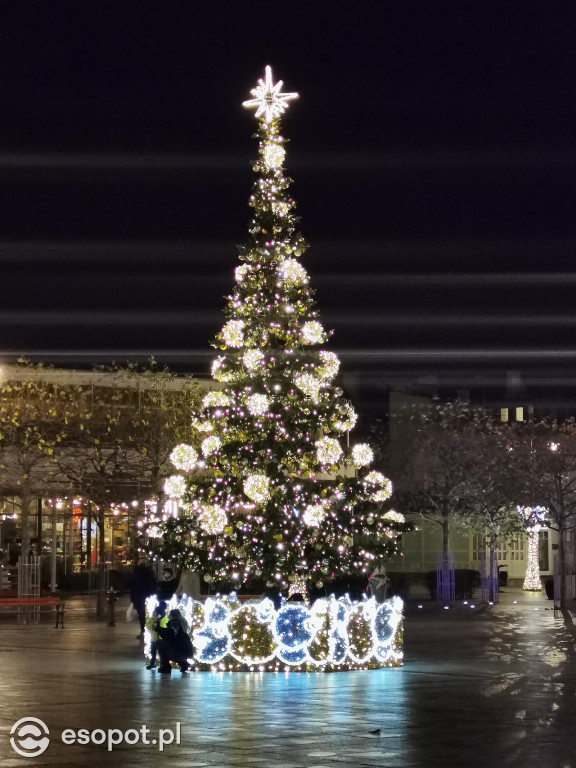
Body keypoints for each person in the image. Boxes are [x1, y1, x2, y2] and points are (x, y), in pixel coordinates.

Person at [156, 609, 193, 675]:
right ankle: (184, 664)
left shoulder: (174, 623)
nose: (168, 616)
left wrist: (159, 629)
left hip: (178, 650)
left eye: (169, 615)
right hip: (184, 651)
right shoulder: (181, 624)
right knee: (169, 648)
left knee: (160, 643)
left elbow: (171, 635)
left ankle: (166, 667)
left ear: (172, 615)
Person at [130, 559, 156, 638]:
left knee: (142, 615)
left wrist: (133, 599)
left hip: (140, 597)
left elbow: (133, 586)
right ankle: (145, 630)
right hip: (145, 597)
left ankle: (143, 630)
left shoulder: (137, 573)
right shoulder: (148, 573)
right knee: (145, 615)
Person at [145, 600, 168, 670]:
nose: (157, 614)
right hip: (154, 639)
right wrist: (154, 623)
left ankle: (162, 665)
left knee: (161, 653)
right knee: (153, 652)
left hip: (160, 640)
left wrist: (155, 624)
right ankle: (153, 663)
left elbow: (163, 628)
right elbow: (148, 625)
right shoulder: (154, 618)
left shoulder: (164, 619)